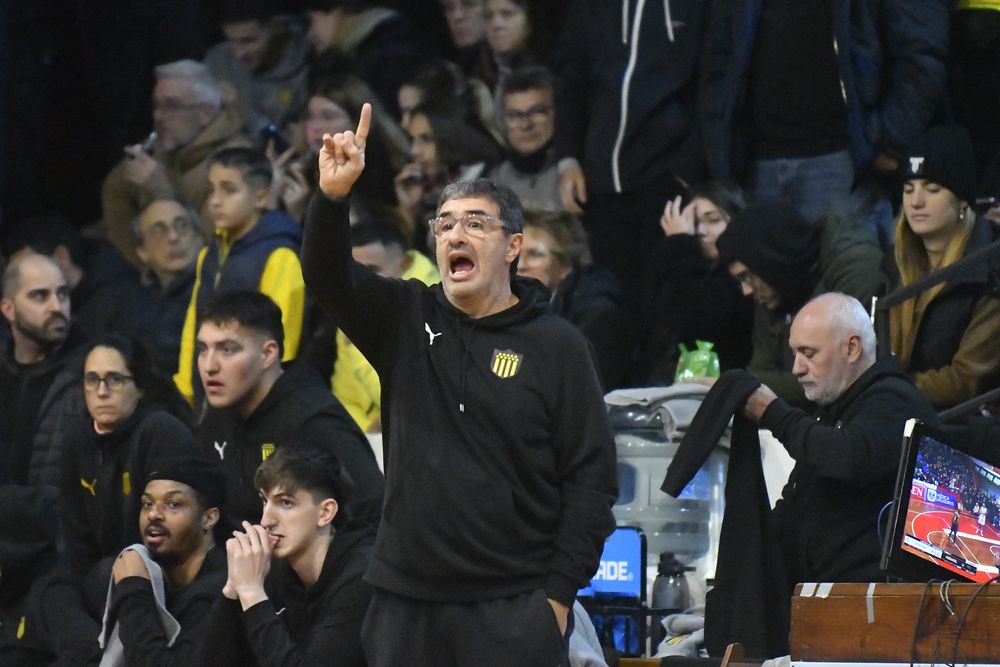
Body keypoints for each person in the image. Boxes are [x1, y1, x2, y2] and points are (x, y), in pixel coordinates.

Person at [303, 103, 617, 665]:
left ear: (513, 247)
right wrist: (331, 198)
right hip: (404, 604)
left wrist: (556, 598)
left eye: (475, 223)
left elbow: (591, 482)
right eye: (444, 224)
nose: (455, 234)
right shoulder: (404, 318)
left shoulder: (558, 345)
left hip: (511, 606)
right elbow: (328, 277)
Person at [699, 0, 949, 240]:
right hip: (755, 168)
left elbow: (922, 57)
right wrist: (721, 154)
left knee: (852, 268)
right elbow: (719, 59)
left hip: (845, 163)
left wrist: (890, 142)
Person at [739, 293, 937, 586]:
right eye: (794, 353)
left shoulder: (895, 399)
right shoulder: (833, 412)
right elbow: (796, 502)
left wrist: (773, 413)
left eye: (808, 353)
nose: (796, 368)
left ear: (852, 348)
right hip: (818, 594)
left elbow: (850, 458)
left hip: (871, 601)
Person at [195, 290, 384, 536]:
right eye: (203, 349)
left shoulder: (313, 420)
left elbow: (373, 512)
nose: (209, 366)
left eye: (227, 350)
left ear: (268, 354)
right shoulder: (217, 415)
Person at [198, 441, 373, 666]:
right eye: (265, 500)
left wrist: (252, 594)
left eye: (286, 503)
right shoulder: (272, 568)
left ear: (325, 512)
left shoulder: (360, 578)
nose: (266, 520)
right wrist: (234, 588)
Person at [61, 333, 201, 583]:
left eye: (115, 379)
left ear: (139, 387)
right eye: (92, 380)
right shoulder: (77, 439)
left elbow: (175, 535)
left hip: (161, 575)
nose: (102, 391)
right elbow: (76, 537)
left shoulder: (160, 432)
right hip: (100, 575)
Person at [715, 201, 884, 407]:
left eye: (747, 276)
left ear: (772, 259)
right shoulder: (774, 286)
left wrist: (739, 387)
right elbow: (761, 370)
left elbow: (840, 374)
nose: (746, 290)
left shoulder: (853, 267)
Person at [173, 147, 305, 406]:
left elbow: (282, 340)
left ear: (260, 197)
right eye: (211, 189)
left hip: (254, 401)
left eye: (229, 190)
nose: (215, 201)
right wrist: (185, 388)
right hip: (207, 393)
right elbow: (194, 323)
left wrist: (267, 402)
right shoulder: (209, 254)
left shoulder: (280, 256)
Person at [888, 125, 1000, 409]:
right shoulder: (894, 264)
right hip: (906, 411)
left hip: (966, 423)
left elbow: (966, 380)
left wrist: (888, 391)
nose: (916, 201)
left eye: (932, 189)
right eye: (908, 189)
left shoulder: (989, 272)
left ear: (962, 201)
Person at [101, 60, 252, 268]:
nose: (158, 116)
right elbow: (115, 190)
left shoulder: (234, 163)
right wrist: (143, 266)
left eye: (172, 106)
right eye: (156, 105)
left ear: (206, 113)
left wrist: (163, 194)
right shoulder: (166, 146)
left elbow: (217, 251)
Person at [103, 459, 228, 664]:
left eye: (173, 504)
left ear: (208, 518)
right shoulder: (143, 571)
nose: (153, 515)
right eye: (147, 504)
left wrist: (132, 590)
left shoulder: (220, 593)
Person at [333, 215, 439, 431]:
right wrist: (363, 429)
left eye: (372, 270)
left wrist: (356, 345)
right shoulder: (353, 307)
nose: (360, 281)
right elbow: (344, 395)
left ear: (405, 264)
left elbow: (405, 399)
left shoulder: (435, 307)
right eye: (353, 271)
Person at [646, 182, 754, 383]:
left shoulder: (747, 278)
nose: (700, 231)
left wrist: (679, 243)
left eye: (713, 220)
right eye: (692, 223)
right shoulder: (677, 269)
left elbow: (696, 319)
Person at [0, 254, 88, 489]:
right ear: (8, 309)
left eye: (62, 294)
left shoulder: (89, 371)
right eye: (40, 296)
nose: (57, 307)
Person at [518, 210, 628, 389]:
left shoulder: (596, 311)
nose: (520, 266)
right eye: (515, 254)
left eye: (534, 254)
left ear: (565, 264)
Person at [395, 101, 502, 243]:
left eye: (426, 139)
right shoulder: (428, 194)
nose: (414, 151)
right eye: (412, 140)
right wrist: (409, 211)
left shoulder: (492, 183)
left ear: (452, 137)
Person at [205, 0, 311, 134]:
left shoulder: (307, 67)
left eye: (248, 41)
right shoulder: (219, 60)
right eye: (231, 41)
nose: (238, 53)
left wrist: (241, 110)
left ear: (276, 28)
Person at [304, 0, 419, 118]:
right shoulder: (356, 53)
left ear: (337, 12)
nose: (309, 35)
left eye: (310, 22)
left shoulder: (389, 50)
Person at [129, 199, 204, 374]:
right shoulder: (138, 305)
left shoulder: (215, 288)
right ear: (142, 251)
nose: (173, 237)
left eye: (182, 225)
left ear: (199, 237)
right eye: (158, 231)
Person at [488, 65, 563, 212]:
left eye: (537, 112)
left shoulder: (574, 175)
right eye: (514, 115)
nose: (525, 124)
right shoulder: (493, 184)